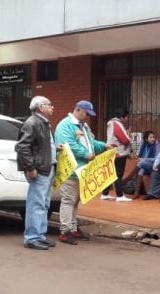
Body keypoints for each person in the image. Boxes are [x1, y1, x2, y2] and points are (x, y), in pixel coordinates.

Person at [55, 100, 109, 245]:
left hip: (82, 170)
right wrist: (86, 154)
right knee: (68, 200)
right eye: (86, 113)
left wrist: (104, 146)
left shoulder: (83, 126)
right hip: (70, 170)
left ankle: (72, 228)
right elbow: (69, 145)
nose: (87, 117)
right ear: (78, 110)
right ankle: (65, 230)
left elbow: (92, 143)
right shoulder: (65, 125)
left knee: (75, 201)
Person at [15, 96, 57, 251]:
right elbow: (22, 147)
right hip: (40, 168)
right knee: (36, 203)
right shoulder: (32, 123)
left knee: (44, 204)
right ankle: (32, 237)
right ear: (40, 107)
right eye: (49, 104)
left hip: (47, 167)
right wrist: (30, 167)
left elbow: (39, 146)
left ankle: (40, 236)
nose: (52, 107)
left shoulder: (43, 123)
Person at [102, 108, 132, 202]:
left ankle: (105, 193)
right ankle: (120, 195)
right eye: (126, 117)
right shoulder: (117, 124)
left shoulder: (111, 123)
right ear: (122, 117)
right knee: (118, 175)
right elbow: (125, 140)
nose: (127, 119)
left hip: (112, 151)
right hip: (119, 153)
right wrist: (128, 137)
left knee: (110, 174)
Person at [133, 130, 160, 199]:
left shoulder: (157, 145)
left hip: (153, 166)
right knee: (141, 168)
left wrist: (144, 159)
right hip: (144, 166)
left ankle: (126, 180)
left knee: (142, 163)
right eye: (150, 137)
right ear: (146, 139)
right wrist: (140, 159)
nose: (153, 139)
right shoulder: (143, 144)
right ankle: (137, 192)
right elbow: (138, 155)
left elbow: (156, 159)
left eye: (153, 137)